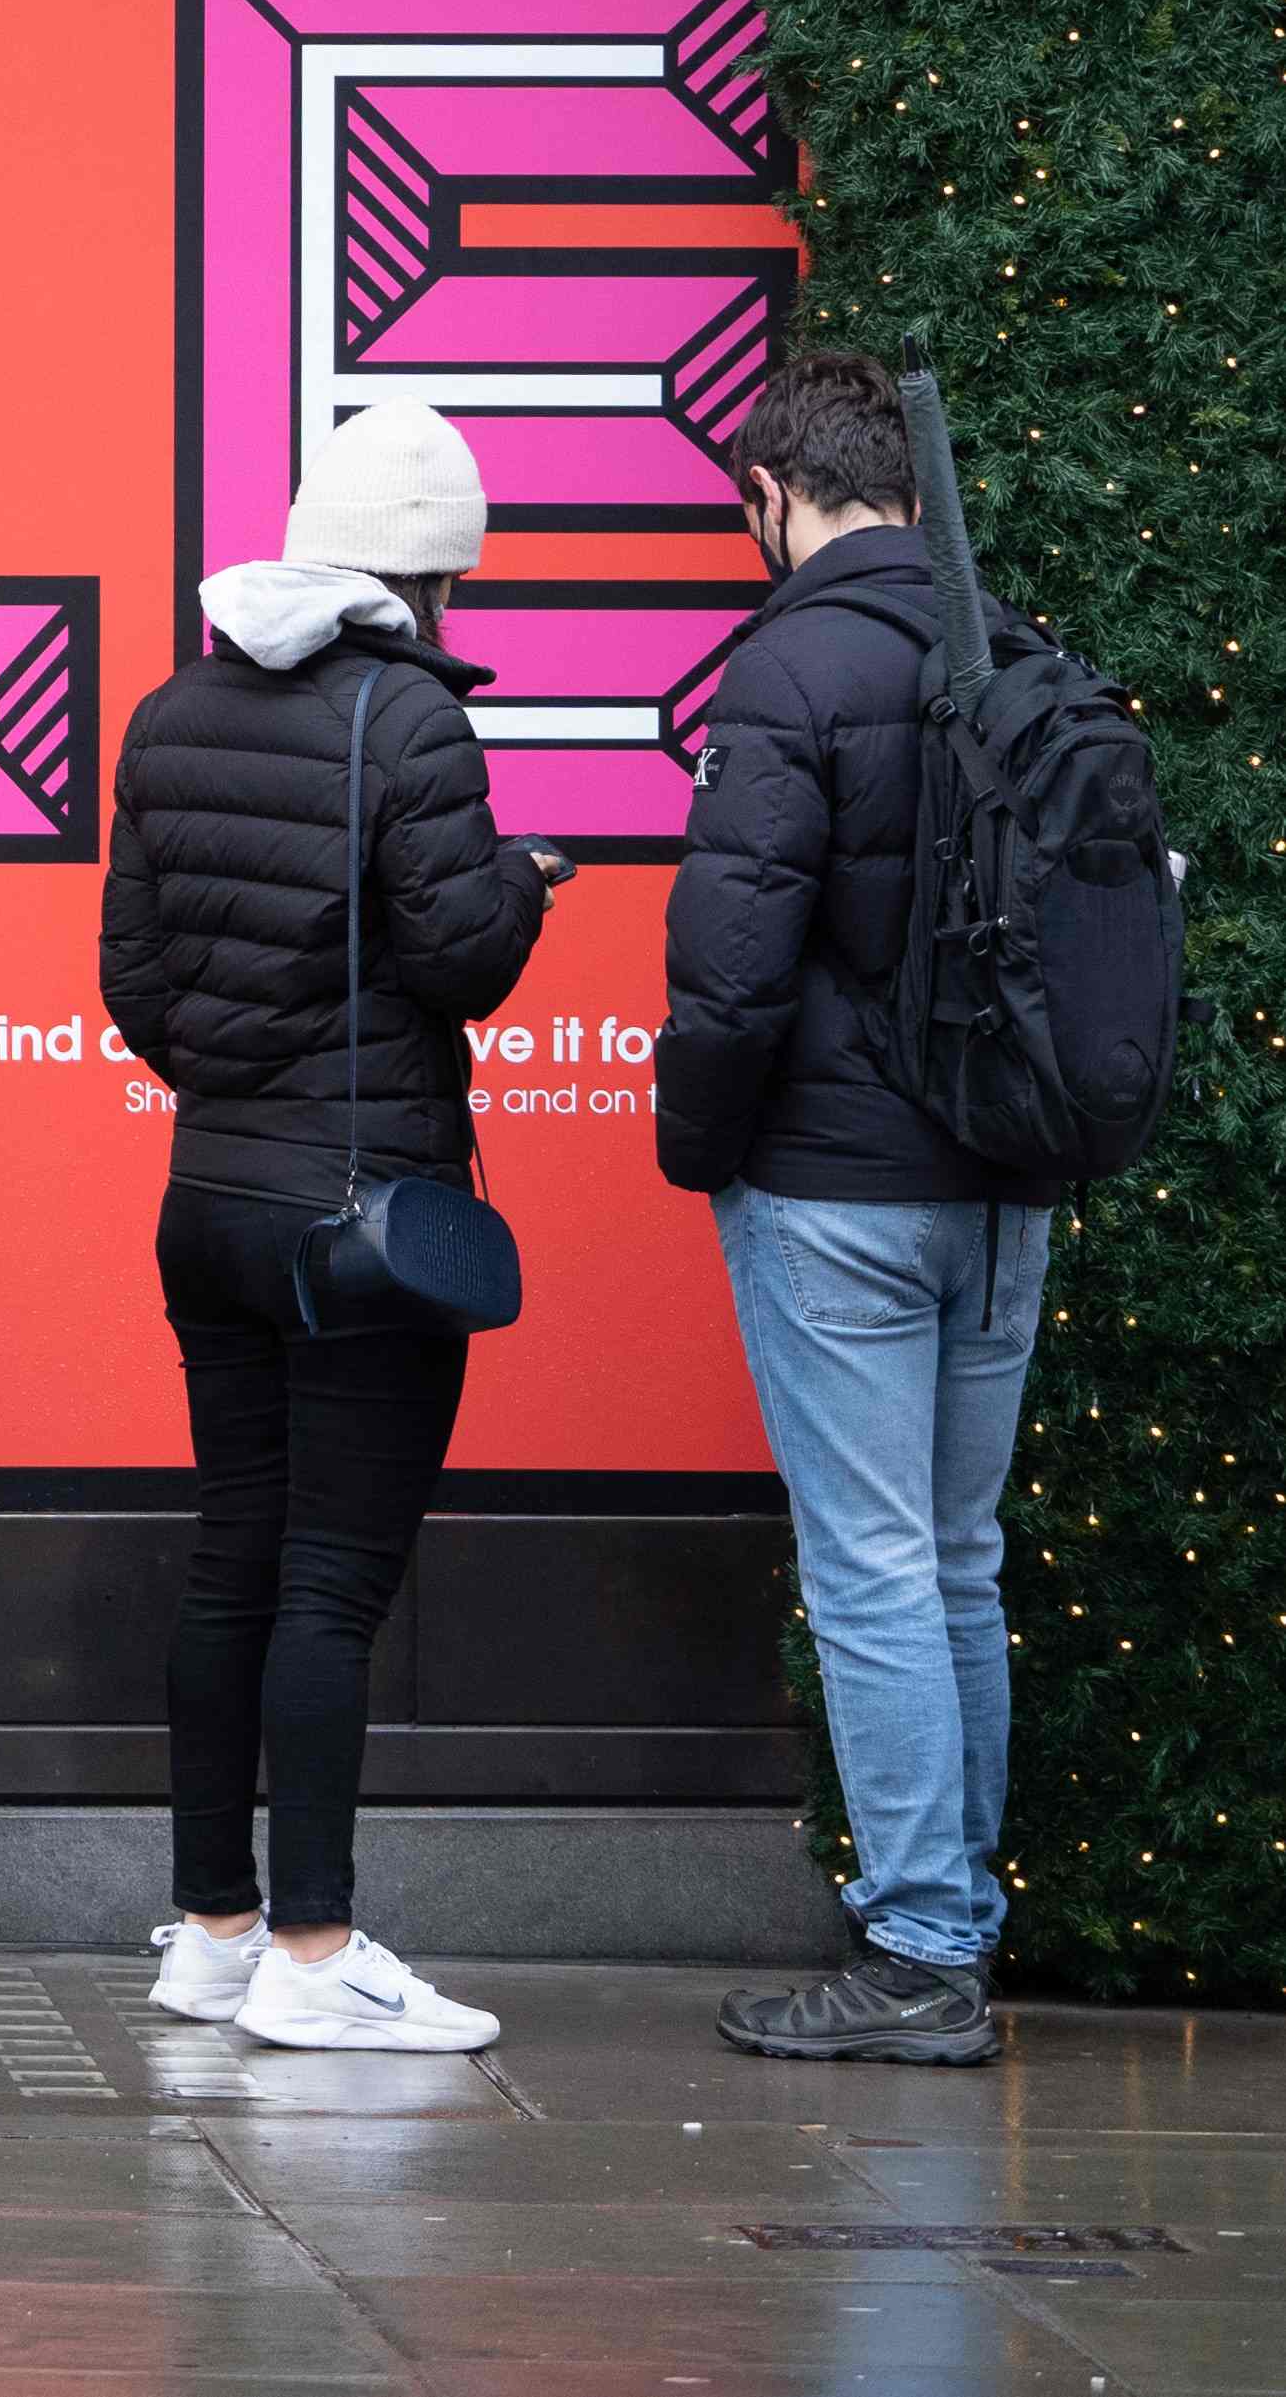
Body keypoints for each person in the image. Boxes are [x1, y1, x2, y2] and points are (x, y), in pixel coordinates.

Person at [100, 399, 558, 2055]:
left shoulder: (167, 711)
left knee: (234, 1556)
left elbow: (132, 983)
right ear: (431, 574)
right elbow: (462, 961)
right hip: (358, 1220)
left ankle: (210, 1928)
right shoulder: (412, 723)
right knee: (331, 1583)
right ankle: (311, 1949)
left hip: (210, 1197)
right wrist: (520, 880)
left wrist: (238, 1081)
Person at [663, 349, 1058, 2066]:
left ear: (775, 496)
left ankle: (912, 1951)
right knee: (955, 1560)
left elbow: (731, 962)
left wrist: (698, 1145)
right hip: (1004, 1184)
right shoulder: (1018, 659)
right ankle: (952, 1926)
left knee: (875, 1564)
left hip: (833, 1190)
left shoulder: (789, 665)